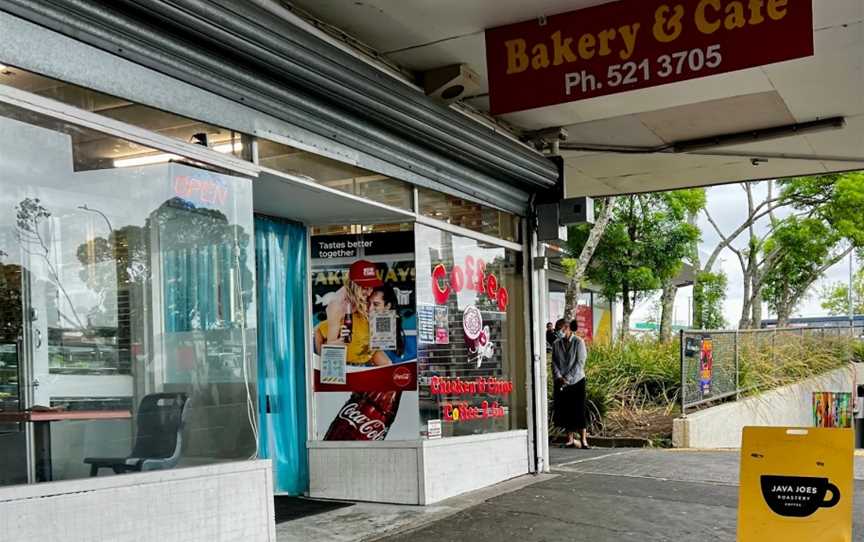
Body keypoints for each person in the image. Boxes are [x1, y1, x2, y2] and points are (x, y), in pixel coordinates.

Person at [314, 259, 381, 365]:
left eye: (371, 288)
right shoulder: (337, 305)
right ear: (353, 284)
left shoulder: (363, 295)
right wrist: (342, 340)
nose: (368, 293)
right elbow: (331, 346)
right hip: (331, 341)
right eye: (365, 288)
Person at [552, 318, 589, 449]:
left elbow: (580, 362)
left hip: (577, 381)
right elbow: (554, 362)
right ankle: (570, 439)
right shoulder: (556, 344)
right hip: (561, 381)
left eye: (560, 329)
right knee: (566, 410)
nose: (558, 332)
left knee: (579, 410)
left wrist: (568, 377)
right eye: (557, 330)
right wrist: (559, 377)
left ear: (567, 328)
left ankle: (584, 440)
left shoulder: (579, 342)